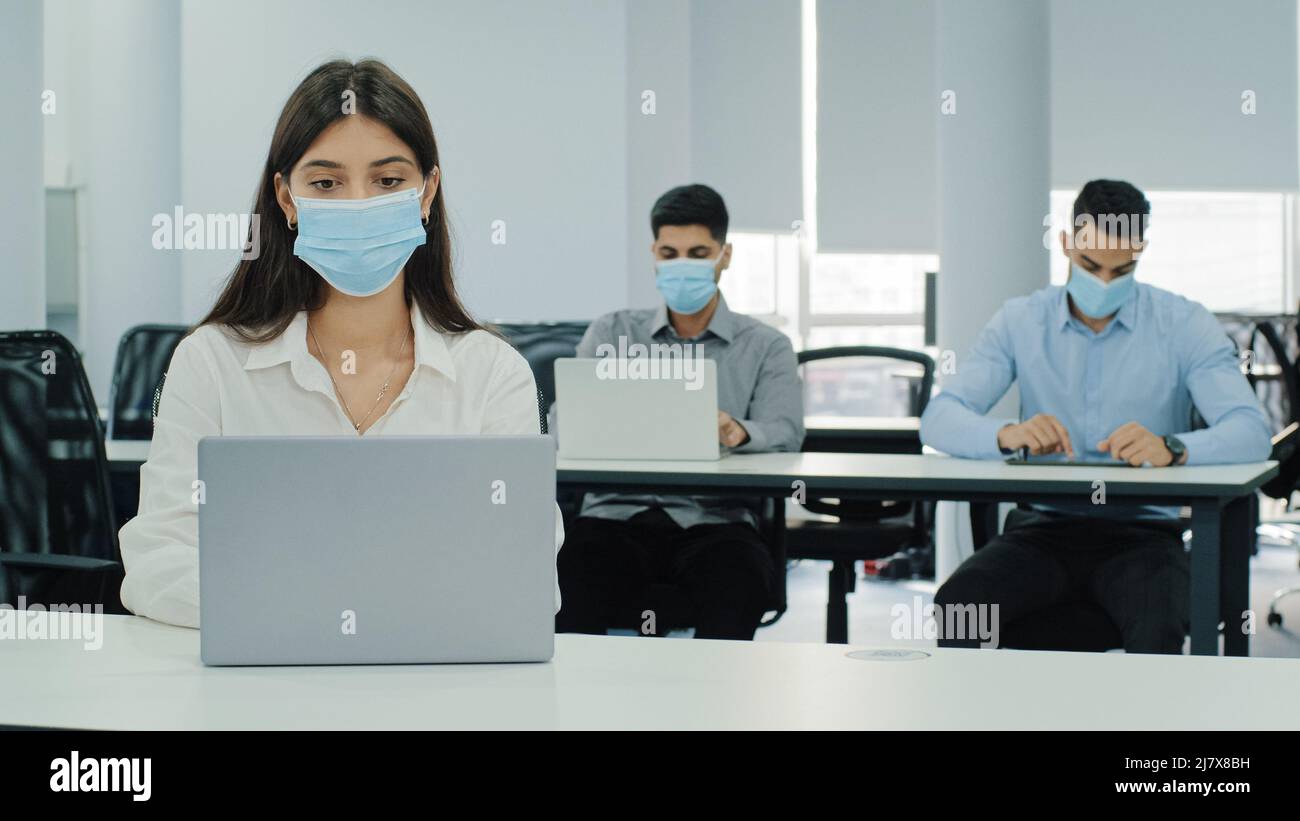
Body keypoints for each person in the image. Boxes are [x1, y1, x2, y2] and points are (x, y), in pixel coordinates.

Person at [119, 59, 561, 628]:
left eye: (388, 181)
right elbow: (158, 561)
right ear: (287, 199)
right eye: (326, 183)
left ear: (427, 192)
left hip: (434, 675)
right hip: (263, 673)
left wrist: (314, 601)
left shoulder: (493, 374)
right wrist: (323, 614)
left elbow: (523, 574)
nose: (357, 205)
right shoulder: (211, 362)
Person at [921, 179, 1272, 654]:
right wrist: (1007, 434)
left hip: (1143, 536)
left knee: (1157, 620)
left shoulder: (1184, 323)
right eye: (1090, 265)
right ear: (1067, 243)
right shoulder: (1021, 321)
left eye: (1121, 269)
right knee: (961, 606)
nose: (1104, 283)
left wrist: (1173, 448)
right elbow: (939, 419)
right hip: (1044, 531)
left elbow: (1252, 431)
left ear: (1140, 251)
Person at [554, 184, 804, 641]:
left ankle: (713, 691)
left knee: (738, 580)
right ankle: (584, 691)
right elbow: (561, 423)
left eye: (698, 253)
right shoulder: (612, 332)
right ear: (653, 254)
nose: (681, 265)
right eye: (669, 253)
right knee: (571, 575)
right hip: (614, 518)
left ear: (725, 255)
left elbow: (786, 430)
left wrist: (739, 431)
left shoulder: (766, 346)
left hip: (715, 520)